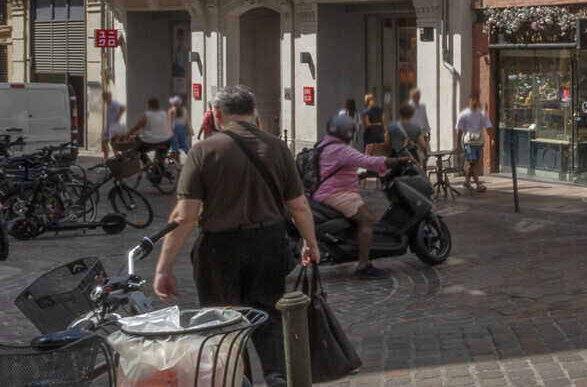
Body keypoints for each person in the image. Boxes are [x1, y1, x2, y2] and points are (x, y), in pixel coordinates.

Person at [153, 86, 319, 386]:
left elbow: (185, 215)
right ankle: (278, 376)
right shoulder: (277, 147)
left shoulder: (203, 150)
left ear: (216, 113)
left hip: (220, 248)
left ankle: (237, 380)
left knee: (223, 324)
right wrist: (310, 242)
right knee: (268, 316)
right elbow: (299, 204)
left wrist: (164, 267)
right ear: (254, 112)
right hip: (269, 242)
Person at [310, 112, 390, 277]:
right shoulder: (342, 150)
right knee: (368, 220)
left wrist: (356, 175)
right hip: (338, 193)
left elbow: (332, 169)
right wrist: (392, 161)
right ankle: (363, 266)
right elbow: (367, 161)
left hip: (323, 191)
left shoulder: (322, 145)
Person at [455, 93, 492, 193]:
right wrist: (458, 142)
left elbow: (488, 126)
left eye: (477, 100)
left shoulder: (482, 114)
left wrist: (491, 138)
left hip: (479, 142)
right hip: (469, 142)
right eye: (473, 100)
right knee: (473, 163)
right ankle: (478, 184)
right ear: (470, 101)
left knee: (474, 163)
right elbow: (460, 129)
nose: (475, 102)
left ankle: (467, 181)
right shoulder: (464, 114)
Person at [128, 98, 174, 170]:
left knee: (137, 149)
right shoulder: (163, 114)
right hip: (166, 140)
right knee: (159, 161)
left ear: (149, 105)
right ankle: (162, 174)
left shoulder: (147, 114)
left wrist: (128, 133)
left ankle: (147, 161)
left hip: (152, 141)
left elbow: (137, 126)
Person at [386, 101, 424, 165]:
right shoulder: (417, 128)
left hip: (395, 156)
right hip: (412, 156)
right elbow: (423, 145)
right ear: (412, 114)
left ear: (400, 113)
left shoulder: (391, 127)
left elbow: (387, 143)